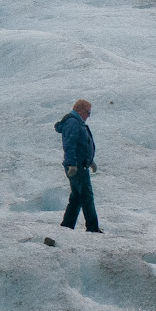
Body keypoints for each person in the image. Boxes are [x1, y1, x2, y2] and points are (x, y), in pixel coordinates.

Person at [55, 99, 101, 233]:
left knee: (77, 197)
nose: (88, 116)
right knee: (86, 196)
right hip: (77, 167)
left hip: (81, 164)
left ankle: (67, 226)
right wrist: (72, 165)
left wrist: (90, 160)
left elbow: (82, 145)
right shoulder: (73, 122)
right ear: (80, 110)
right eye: (87, 112)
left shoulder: (76, 122)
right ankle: (92, 228)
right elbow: (70, 144)